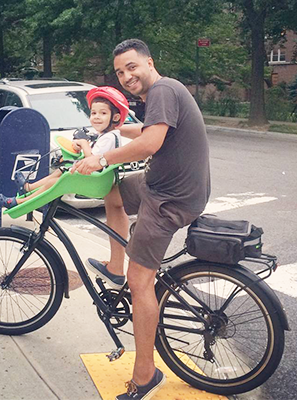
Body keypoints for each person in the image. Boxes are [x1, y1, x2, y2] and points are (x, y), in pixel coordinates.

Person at [71, 39, 211, 400]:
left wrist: (102, 159)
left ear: (149, 62)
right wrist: (106, 134)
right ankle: (116, 266)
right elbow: (145, 132)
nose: (126, 76)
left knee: (140, 281)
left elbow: (150, 144)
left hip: (169, 198)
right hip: (157, 183)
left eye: (132, 67)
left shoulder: (163, 89)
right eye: (120, 72)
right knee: (112, 196)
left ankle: (146, 375)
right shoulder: (162, 94)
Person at [0, 86, 129, 209]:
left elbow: (92, 161)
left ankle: (20, 202)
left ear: (115, 117)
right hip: (98, 178)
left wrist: (84, 144)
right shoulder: (108, 135)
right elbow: (93, 154)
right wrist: (81, 145)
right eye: (93, 113)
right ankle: (28, 187)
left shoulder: (109, 137)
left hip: (97, 181)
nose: (96, 117)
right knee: (61, 170)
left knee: (56, 184)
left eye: (103, 113)